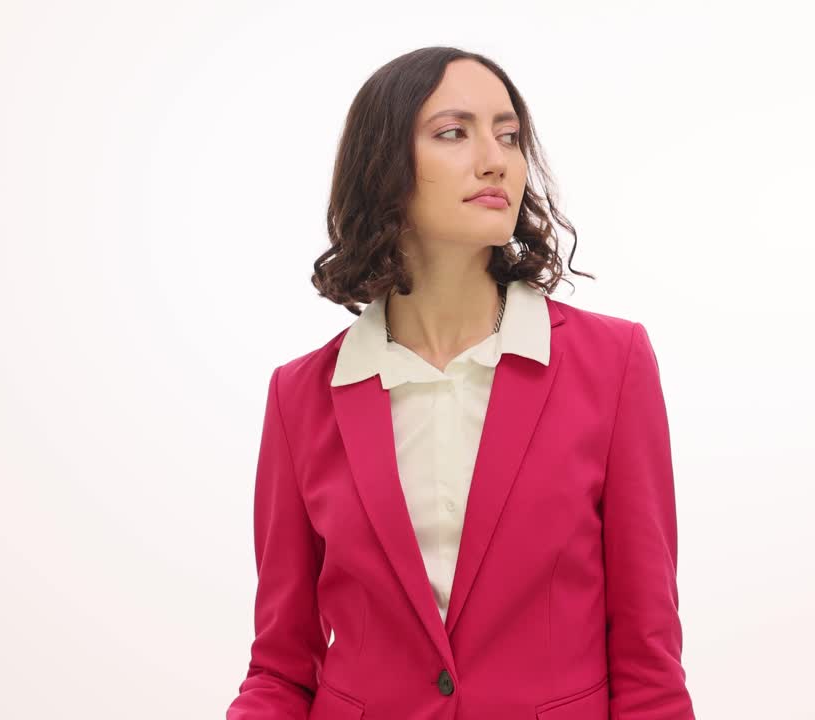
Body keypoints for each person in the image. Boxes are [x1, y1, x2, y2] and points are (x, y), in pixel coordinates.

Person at [227, 46, 695, 720]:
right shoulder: (300, 396)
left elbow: (648, 662)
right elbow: (280, 668)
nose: (495, 158)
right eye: (454, 132)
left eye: (508, 135)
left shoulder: (613, 363)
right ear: (383, 169)